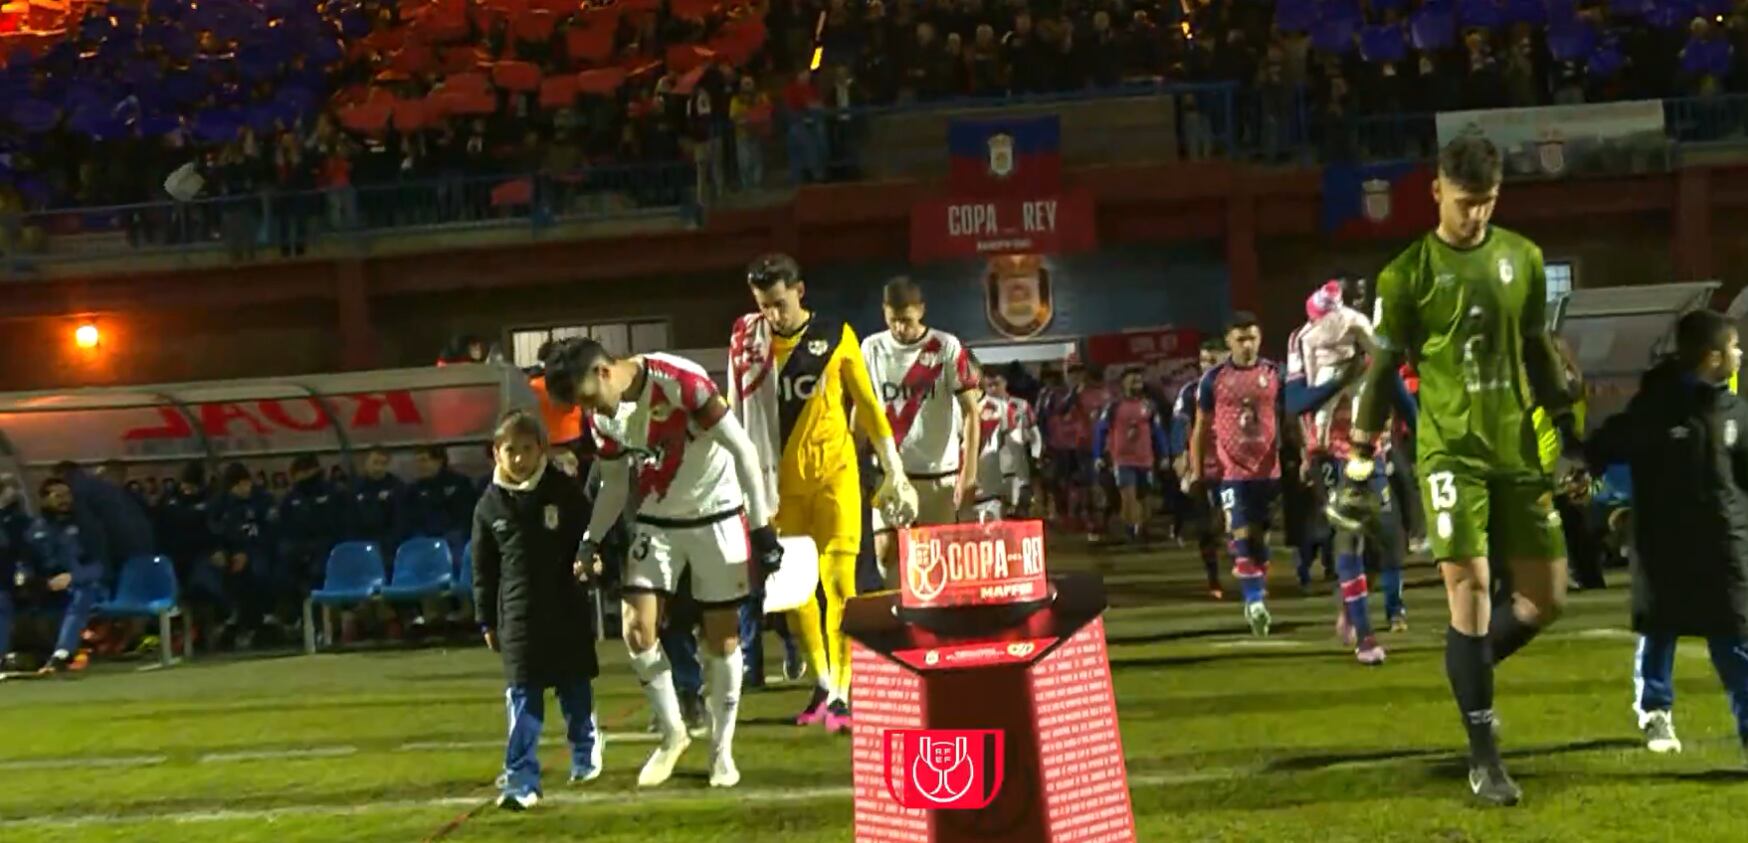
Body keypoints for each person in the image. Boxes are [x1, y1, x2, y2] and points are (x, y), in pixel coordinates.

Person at [1347, 134, 1578, 806]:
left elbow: (1536, 349)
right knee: (1471, 587)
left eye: (1488, 202)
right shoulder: (1406, 273)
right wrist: (1361, 450)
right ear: (1437, 191)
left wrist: (1567, 427)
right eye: (1465, 201)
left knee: (1546, 598)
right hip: (1449, 449)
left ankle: (1468, 670)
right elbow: (1382, 369)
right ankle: (1486, 757)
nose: (1476, 214)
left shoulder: (1524, 259)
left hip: (1516, 448)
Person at [544, 338, 783, 789]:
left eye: (587, 397)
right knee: (636, 627)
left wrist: (762, 526)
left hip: (718, 512)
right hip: (657, 518)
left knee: (724, 639)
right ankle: (673, 734)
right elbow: (615, 483)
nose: (588, 409)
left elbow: (742, 449)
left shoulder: (678, 382)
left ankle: (721, 750)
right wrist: (589, 542)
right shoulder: (602, 416)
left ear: (603, 372)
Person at [730, 254, 916, 731]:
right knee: (795, 596)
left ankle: (842, 695)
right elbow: (734, 415)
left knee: (840, 585)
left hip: (835, 478)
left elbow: (870, 407)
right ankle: (824, 681)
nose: (773, 314)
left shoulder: (836, 336)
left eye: (779, 303)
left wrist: (893, 468)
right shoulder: (748, 346)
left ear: (800, 290)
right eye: (763, 306)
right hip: (779, 492)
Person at [1584, 309, 1748, 759]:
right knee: (1660, 630)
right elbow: (1606, 444)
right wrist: (1584, 466)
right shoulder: (1656, 409)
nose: (1740, 354)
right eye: (1734, 347)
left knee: (1736, 638)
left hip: (1726, 546)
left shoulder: (1734, 410)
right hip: (1666, 544)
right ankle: (1655, 710)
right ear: (1713, 357)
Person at [472, 410, 601, 811]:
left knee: (574, 690)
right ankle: (522, 780)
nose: (518, 458)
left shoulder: (563, 492)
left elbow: (591, 535)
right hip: (518, 618)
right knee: (523, 698)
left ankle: (585, 748)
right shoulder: (488, 506)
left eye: (526, 449)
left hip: (565, 609)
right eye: (510, 450)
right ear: (496, 453)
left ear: (541, 450)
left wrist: (593, 562)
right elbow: (483, 568)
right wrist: (486, 619)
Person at [862, 277, 982, 569]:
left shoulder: (946, 346)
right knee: (886, 553)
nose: (900, 328)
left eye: (906, 320)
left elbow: (971, 411)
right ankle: (897, 614)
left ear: (922, 310)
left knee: (936, 561)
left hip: (938, 474)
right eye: (893, 321)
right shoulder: (871, 348)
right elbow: (862, 409)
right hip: (892, 473)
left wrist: (969, 473)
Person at [1186, 313, 1285, 636]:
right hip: (1232, 473)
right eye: (1241, 339)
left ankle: (1256, 583)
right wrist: (1197, 472)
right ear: (1229, 341)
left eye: (1252, 338)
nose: (1247, 345)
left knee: (1261, 539)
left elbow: (1290, 416)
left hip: (1269, 470)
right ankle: (1255, 601)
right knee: (1239, 533)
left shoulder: (1274, 373)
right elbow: (1200, 428)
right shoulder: (1213, 379)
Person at [23, 478, 106, 673]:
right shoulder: (35, 530)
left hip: (87, 586)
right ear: (44, 500)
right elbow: (26, 563)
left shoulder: (87, 527)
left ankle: (62, 654)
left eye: (67, 495)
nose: (65, 500)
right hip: (48, 588)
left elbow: (101, 566)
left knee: (82, 592)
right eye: (58, 496)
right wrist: (32, 581)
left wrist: (72, 577)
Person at [1173, 341, 1229, 598]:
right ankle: (1214, 579)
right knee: (1208, 526)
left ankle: (1251, 572)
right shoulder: (1190, 392)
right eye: (1204, 361)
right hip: (1203, 467)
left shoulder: (1240, 385)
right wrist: (1181, 457)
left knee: (1239, 521)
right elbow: (1180, 426)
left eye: (1213, 360)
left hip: (1236, 466)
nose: (1208, 366)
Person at [1094, 366, 1172, 544]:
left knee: (1145, 497)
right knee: (1127, 495)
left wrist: (1165, 454)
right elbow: (1101, 430)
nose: (1137, 382)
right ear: (1123, 383)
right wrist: (1098, 455)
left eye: (1139, 379)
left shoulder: (1149, 405)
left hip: (1145, 459)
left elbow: (1158, 431)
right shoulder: (1114, 406)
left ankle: (1141, 528)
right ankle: (1132, 529)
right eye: (1132, 379)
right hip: (1122, 459)